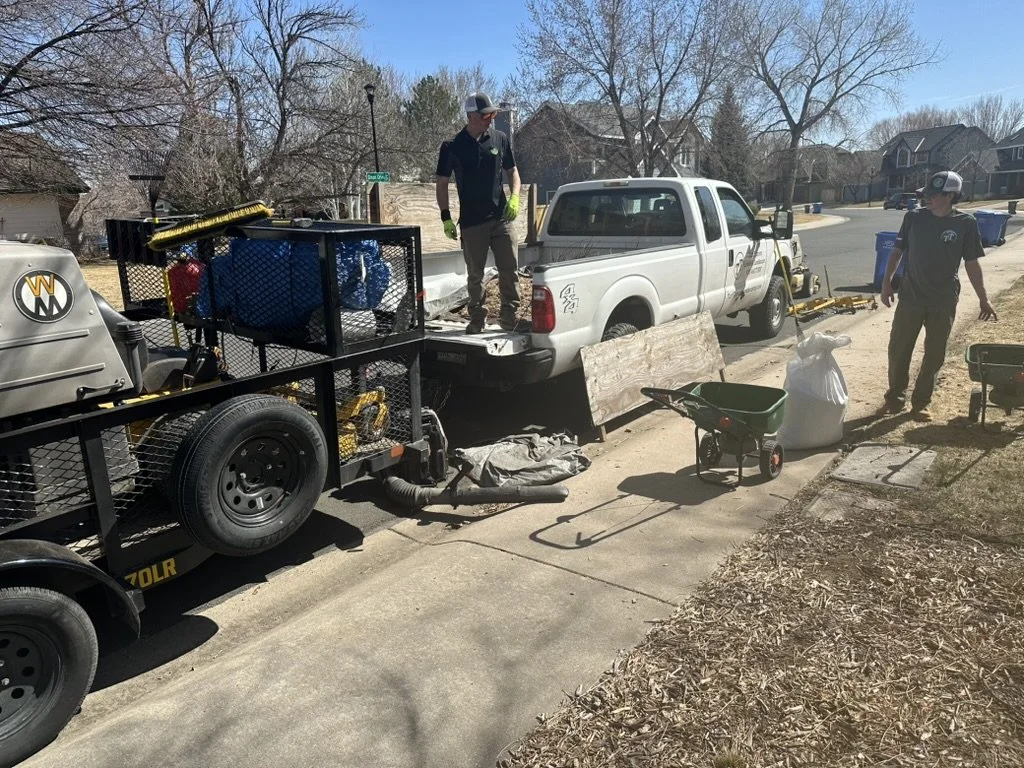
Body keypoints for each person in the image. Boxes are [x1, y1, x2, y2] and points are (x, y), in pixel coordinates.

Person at [879, 170, 998, 421]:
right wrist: (887, 282)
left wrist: (983, 298)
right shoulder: (913, 218)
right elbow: (897, 251)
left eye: (933, 195)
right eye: (927, 194)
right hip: (911, 296)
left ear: (950, 195)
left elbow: (972, 264)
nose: (928, 199)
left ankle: (921, 402)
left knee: (935, 353)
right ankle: (895, 397)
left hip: (943, 299)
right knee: (899, 348)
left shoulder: (965, 224)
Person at [435, 92, 522, 334]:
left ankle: (509, 316)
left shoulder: (500, 139)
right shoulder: (452, 146)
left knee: (510, 269)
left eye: (493, 114)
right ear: (471, 115)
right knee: (475, 274)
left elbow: (513, 172)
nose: (491, 119)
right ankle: (477, 317)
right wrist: (446, 218)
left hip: (501, 218)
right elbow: (442, 183)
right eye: (486, 115)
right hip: (472, 222)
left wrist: (514, 197)